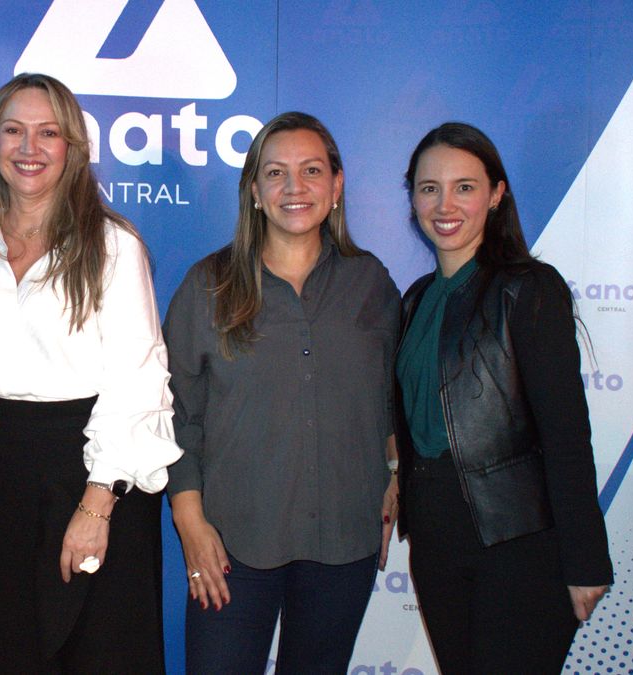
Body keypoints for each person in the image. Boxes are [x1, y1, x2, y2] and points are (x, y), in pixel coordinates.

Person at [0, 72, 182, 673]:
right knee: (5, 651)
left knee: (102, 653)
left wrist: (96, 503)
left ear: (73, 148)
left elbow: (139, 377)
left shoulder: (113, 246)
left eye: (48, 133)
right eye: (14, 131)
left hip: (98, 474)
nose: (29, 148)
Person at [163, 112, 401, 673]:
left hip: (344, 540)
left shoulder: (372, 283)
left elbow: (393, 396)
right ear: (254, 191)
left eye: (311, 171)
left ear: (337, 186)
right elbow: (174, 414)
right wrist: (190, 524)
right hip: (230, 545)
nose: (295, 188)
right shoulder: (208, 286)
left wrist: (395, 470)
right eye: (276, 173)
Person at [395, 122, 613, 673]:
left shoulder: (528, 289)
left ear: (496, 194)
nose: (445, 204)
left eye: (465, 187)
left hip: (517, 542)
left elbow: (566, 434)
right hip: (437, 539)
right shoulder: (416, 298)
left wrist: (585, 560)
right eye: (429, 188)